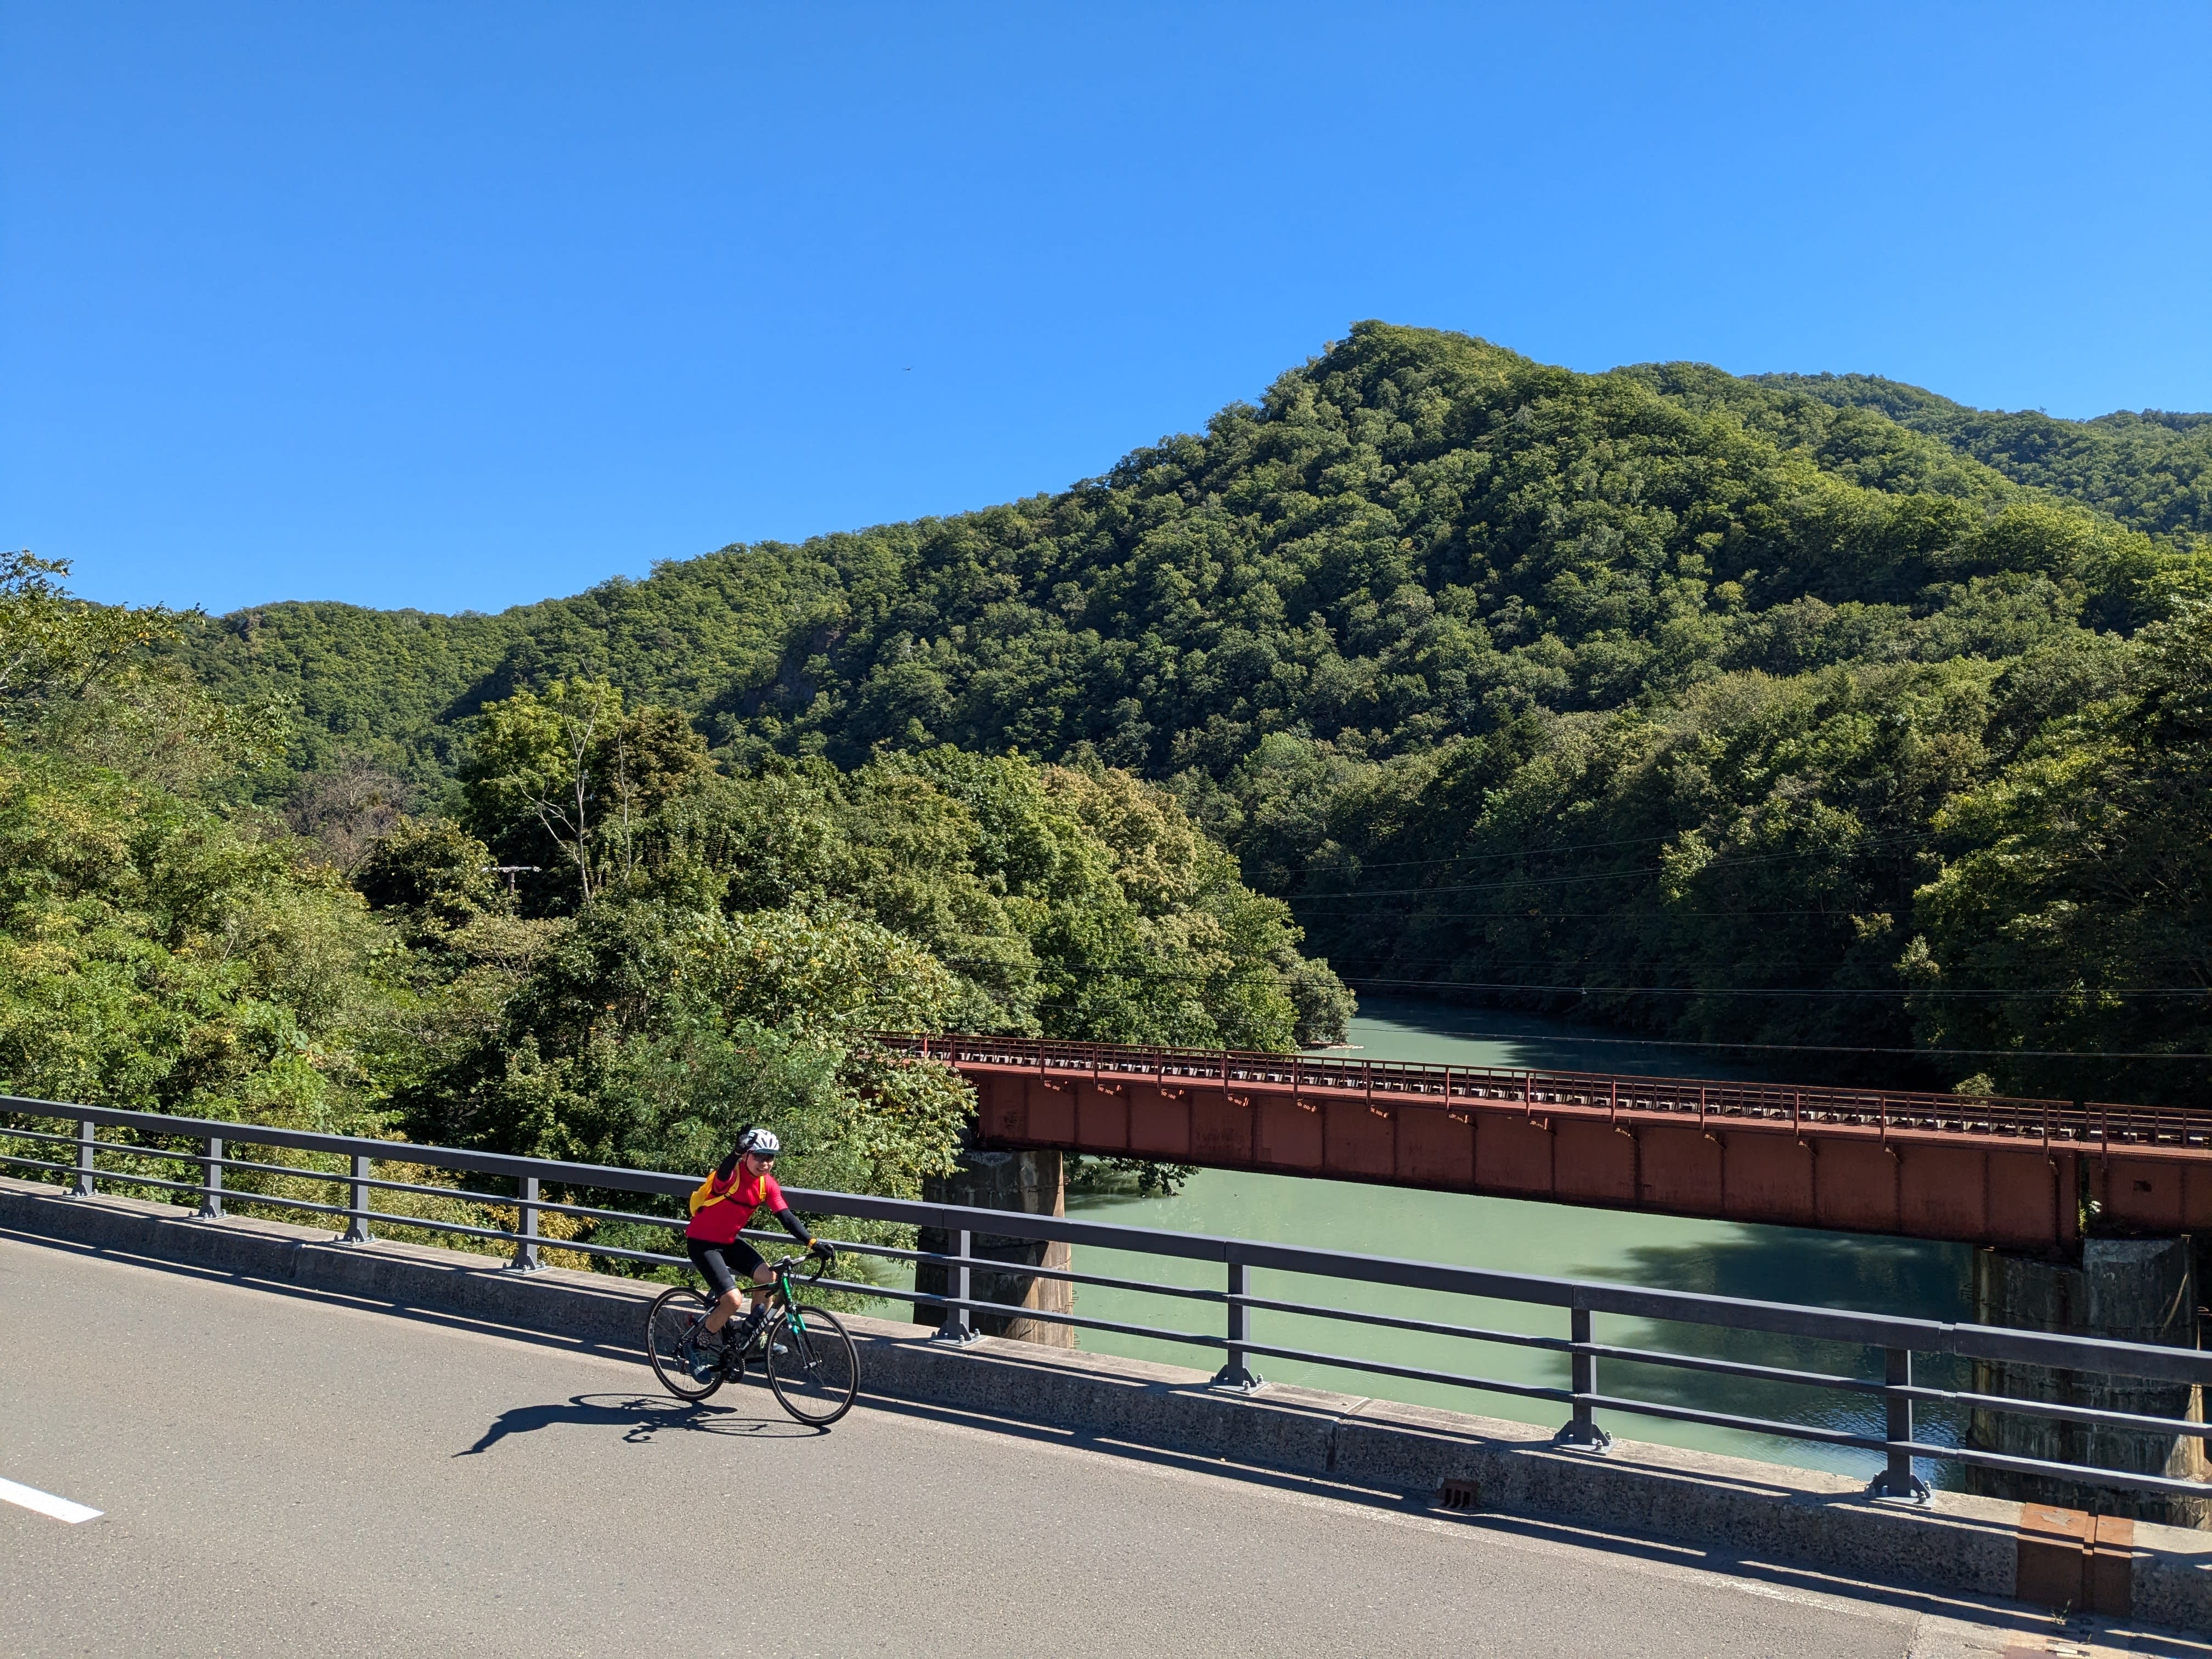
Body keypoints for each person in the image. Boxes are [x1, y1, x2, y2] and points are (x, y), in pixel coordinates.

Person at [682, 1127, 833, 1372]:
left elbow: (785, 1216)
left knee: (769, 1278)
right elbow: (721, 1176)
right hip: (703, 1242)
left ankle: (756, 1338)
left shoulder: (767, 1185)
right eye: (759, 1156)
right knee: (732, 1300)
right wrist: (734, 1154)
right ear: (746, 1156)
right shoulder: (734, 1176)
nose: (765, 1163)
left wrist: (813, 1242)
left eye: (770, 1157)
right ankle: (697, 1345)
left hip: (729, 1241)